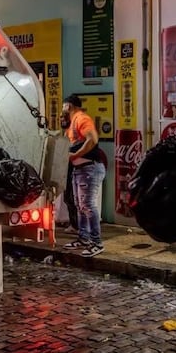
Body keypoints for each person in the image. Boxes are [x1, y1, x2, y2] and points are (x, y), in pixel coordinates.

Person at [62, 94, 106, 257]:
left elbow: (92, 139)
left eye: (63, 106)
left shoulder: (81, 118)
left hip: (90, 169)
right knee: (80, 206)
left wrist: (75, 155)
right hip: (79, 170)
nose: (62, 110)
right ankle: (83, 238)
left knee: (87, 205)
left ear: (69, 105)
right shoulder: (71, 123)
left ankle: (96, 242)